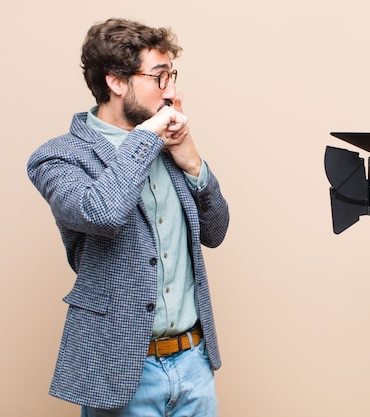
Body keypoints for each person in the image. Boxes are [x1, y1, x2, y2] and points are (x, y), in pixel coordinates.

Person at [27, 18, 230, 417]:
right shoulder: (58, 157)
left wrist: (192, 163)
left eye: (172, 75)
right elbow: (101, 213)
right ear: (117, 82)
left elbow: (216, 232)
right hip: (122, 370)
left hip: (194, 361)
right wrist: (149, 137)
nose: (172, 91)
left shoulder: (170, 148)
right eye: (159, 77)